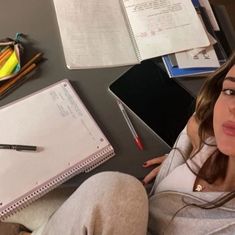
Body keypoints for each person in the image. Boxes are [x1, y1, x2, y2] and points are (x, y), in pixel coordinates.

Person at [5, 52, 235, 235]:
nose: (232, 107)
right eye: (230, 90)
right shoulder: (205, 133)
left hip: (121, 211)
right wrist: (177, 161)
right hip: (123, 215)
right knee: (12, 180)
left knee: (120, 190)